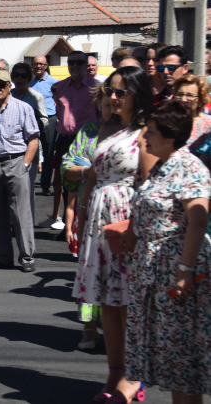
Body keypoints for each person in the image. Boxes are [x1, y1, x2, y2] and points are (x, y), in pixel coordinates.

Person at [73, 66, 156, 404]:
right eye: (111, 90)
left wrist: (136, 228)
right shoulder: (105, 127)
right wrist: (77, 216)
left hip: (127, 216)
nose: (114, 96)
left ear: (137, 95)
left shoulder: (145, 132)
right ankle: (115, 370)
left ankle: (134, 377)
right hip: (98, 216)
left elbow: (149, 183)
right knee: (107, 299)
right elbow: (93, 175)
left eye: (122, 91)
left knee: (127, 302)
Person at [124, 100, 211, 403]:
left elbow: (198, 220)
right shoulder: (163, 165)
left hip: (175, 271)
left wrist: (184, 272)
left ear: (170, 136)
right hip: (154, 270)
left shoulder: (189, 166)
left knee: (182, 360)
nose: (144, 137)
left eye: (150, 132)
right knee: (171, 359)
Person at [61, 87, 118, 351]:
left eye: (114, 104)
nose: (109, 109)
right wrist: (86, 171)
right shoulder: (88, 131)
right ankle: (88, 327)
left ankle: (118, 331)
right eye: (104, 105)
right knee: (87, 273)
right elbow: (66, 167)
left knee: (117, 274)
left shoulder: (135, 133)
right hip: (90, 209)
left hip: (121, 213)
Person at [0, 70, 39, 273]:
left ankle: (27, 256)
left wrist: (25, 164)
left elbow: (33, 139)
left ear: (9, 87)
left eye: (0, 86)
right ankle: (2, 257)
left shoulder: (23, 108)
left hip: (15, 162)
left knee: (21, 213)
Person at [49, 51, 100, 231]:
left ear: (87, 65)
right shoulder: (60, 87)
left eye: (79, 62)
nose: (75, 65)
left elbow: (101, 115)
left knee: (85, 183)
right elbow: (59, 113)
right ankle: (68, 225)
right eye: (72, 62)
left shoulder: (96, 87)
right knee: (66, 182)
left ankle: (84, 225)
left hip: (87, 142)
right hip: (65, 140)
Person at [10, 62, 48, 221]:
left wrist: (30, 125)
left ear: (29, 78)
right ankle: (12, 222)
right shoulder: (8, 94)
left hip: (29, 148)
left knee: (26, 188)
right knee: (11, 188)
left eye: (23, 75)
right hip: (10, 148)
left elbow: (45, 120)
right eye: (16, 75)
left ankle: (27, 224)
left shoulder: (36, 96)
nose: (19, 78)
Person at [29, 55, 59, 197]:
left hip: (49, 119)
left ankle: (45, 186)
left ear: (46, 66)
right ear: (32, 65)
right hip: (31, 120)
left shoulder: (54, 82)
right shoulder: (28, 82)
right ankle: (27, 183)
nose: (38, 66)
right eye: (36, 64)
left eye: (41, 64)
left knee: (48, 153)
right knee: (28, 151)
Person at [171, 75, 211, 152]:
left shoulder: (208, 124)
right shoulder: (167, 119)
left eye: (190, 95)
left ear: (200, 99)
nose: (183, 99)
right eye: (180, 94)